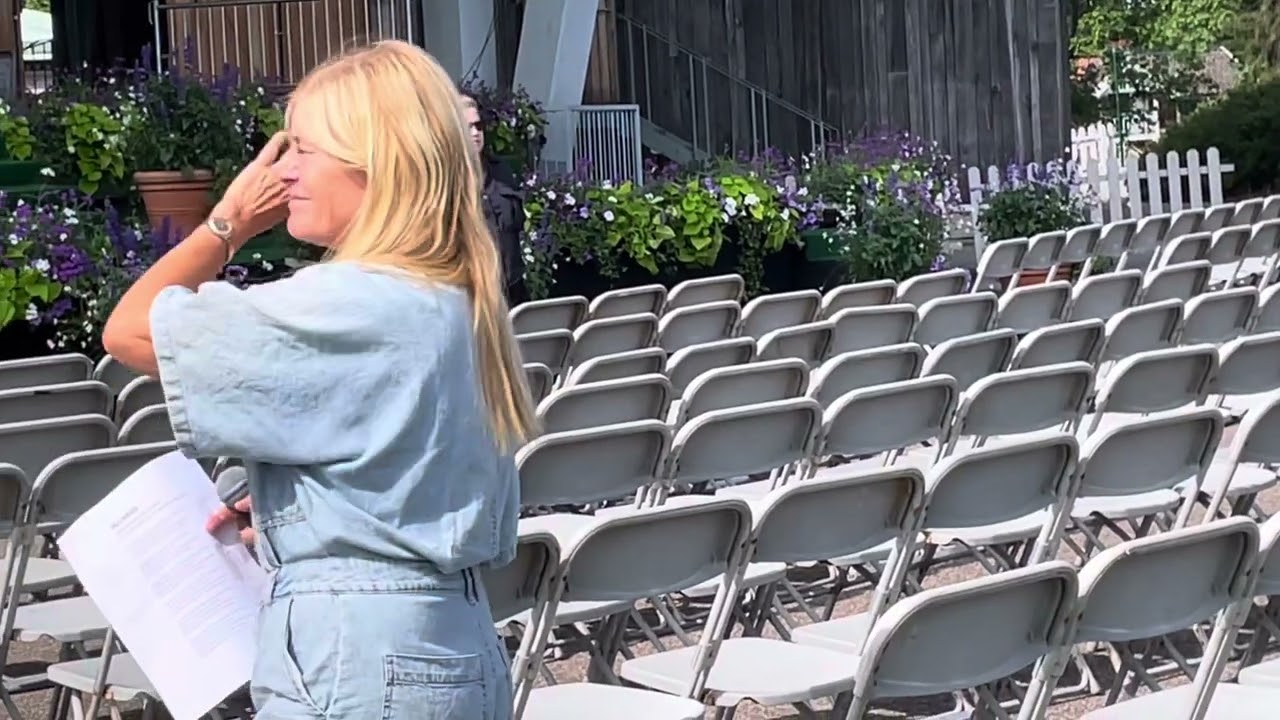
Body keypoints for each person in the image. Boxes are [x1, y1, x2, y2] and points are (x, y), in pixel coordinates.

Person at [101, 40, 536, 720]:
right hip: (454, 633)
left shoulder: (352, 301)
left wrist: (229, 223)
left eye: (302, 149)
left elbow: (129, 328)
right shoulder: (458, 293)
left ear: (375, 166)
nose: (281, 173)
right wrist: (306, 514)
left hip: (358, 655)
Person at [460, 92, 530, 305]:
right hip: (474, 296)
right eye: (468, 127)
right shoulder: (446, 181)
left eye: (479, 126)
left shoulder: (501, 172)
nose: (475, 133)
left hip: (513, 290)